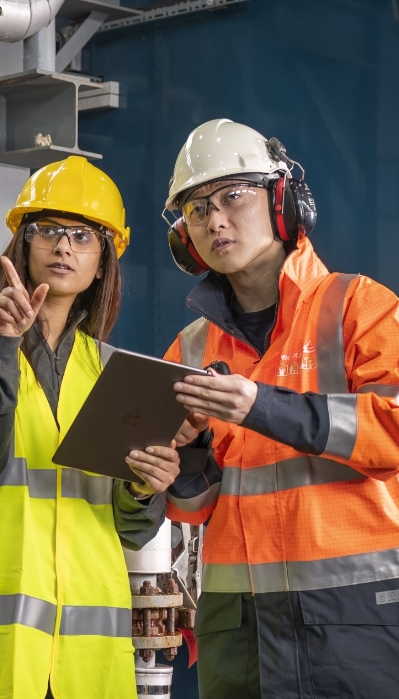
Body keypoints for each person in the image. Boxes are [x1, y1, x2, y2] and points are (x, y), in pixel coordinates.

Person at [0, 156, 180, 699]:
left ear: (104, 263)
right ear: (23, 246)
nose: (64, 247)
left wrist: (146, 487)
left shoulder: (108, 369)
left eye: (83, 236)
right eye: (48, 231)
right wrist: (2, 344)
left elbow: (129, 529)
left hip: (82, 661)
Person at [162, 119, 399, 698]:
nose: (215, 220)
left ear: (282, 200)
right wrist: (189, 454)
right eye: (196, 209)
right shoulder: (190, 348)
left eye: (232, 196)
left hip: (351, 618)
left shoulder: (359, 307)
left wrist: (262, 406)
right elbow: (191, 512)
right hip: (235, 627)